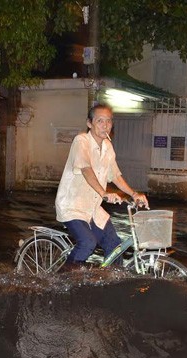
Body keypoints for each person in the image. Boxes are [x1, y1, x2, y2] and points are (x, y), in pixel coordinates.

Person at [55, 104, 149, 269]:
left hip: (93, 207)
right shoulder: (81, 141)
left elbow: (116, 176)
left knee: (115, 245)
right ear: (89, 123)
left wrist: (134, 194)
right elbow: (86, 169)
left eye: (108, 121)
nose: (105, 125)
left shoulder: (108, 147)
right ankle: (63, 280)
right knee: (87, 243)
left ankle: (111, 284)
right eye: (100, 121)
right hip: (72, 206)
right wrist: (104, 193)